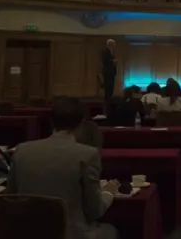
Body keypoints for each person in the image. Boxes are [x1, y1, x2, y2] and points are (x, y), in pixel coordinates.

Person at [7, 98, 120, 239]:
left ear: (52, 122)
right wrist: (108, 192)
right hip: (70, 233)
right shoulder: (88, 154)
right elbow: (94, 210)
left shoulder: (21, 150)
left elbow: (10, 196)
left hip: (26, 232)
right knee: (110, 231)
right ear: (81, 124)